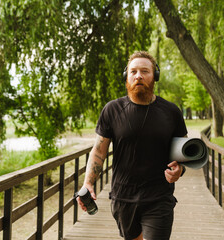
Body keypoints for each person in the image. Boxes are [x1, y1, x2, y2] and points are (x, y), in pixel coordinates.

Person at [77, 51, 188, 240]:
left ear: (155, 77)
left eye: (145, 71)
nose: (138, 75)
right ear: (126, 77)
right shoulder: (111, 110)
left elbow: (185, 151)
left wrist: (180, 169)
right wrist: (88, 182)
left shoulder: (171, 112)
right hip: (123, 197)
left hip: (159, 196)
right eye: (133, 71)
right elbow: (98, 151)